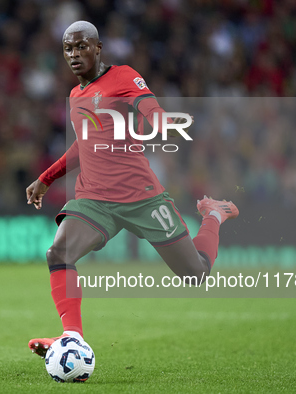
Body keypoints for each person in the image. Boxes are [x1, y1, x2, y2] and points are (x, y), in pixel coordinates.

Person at [25, 21, 239, 357]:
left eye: (82, 46)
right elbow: (84, 145)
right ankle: (72, 337)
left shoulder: (123, 77)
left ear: (98, 48)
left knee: (195, 274)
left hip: (141, 198)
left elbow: (151, 111)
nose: (75, 54)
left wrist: (163, 123)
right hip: (95, 199)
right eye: (68, 48)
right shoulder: (76, 95)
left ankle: (214, 214)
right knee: (58, 253)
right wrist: (46, 178)